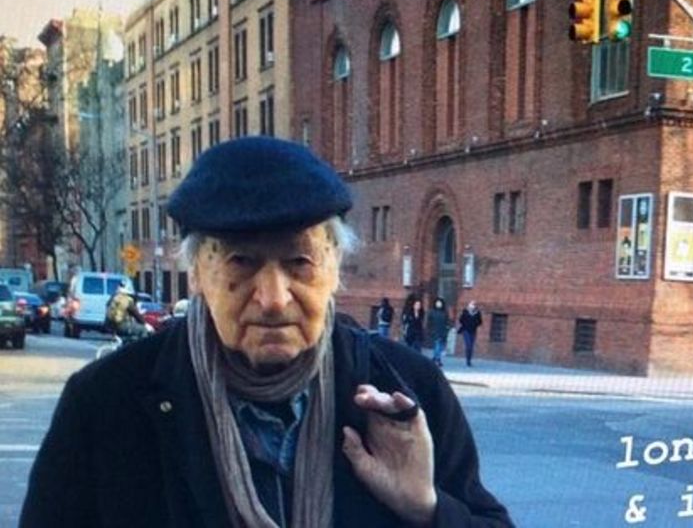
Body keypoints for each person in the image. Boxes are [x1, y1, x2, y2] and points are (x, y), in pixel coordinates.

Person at [20, 136, 512, 527]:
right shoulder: (108, 403)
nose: (274, 297)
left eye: (299, 261)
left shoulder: (407, 393)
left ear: (334, 266)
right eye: (242, 261)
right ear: (198, 272)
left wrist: (427, 510)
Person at [458, 301, 483, 367]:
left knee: (471, 347)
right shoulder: (465, 311)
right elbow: (461, 320)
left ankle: (469, 360)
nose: (473, 306)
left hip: (473, 331)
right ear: (469, 305)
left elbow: (480, 322)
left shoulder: (477, 313)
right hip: (466, 330)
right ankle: (468, 360)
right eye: (472, 305)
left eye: (474, 305)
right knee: (468, 345)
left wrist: (475, 323)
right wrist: (465, 324)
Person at [428, 297, 450, 368]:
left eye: (440, 302)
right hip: (435, 331)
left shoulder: (445, 313)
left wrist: (447, 329)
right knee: (437, 345)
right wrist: (430, 330)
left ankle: (435, 358)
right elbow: (429, 322)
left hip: (442, 331)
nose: (439, 304)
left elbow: (447, 322)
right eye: (437, 302)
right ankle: (437, 359)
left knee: (440, 346)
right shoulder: (432, 312)